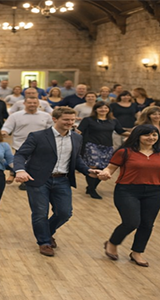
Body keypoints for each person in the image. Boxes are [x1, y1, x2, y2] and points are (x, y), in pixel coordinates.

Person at [13, 107, 100, 257]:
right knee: (40, 213)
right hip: (39, 179)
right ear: (55, 119)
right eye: (66, 119)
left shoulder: (76, 138)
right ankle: (44, 242)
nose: (70, 123)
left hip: (62, 180)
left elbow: (77, 159)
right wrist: (20, 170)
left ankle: (46, 232)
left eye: (72, 120)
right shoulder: (38, 136)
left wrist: (88, 171)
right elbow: (21, 155)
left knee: (65, 213)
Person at [98, 125, 160, 267]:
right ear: (137, 136)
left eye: (154, 135)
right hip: (127, 190)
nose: (151, 138)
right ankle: (112, 242)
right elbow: (110, 168)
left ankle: (137, 252)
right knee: (132, 222)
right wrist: (105, 173)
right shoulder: (124, 152)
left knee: (147, 224)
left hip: (154, 191)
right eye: (147, 135)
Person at [77, 101, 128, 199]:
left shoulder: (113, 121)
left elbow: (120, 131)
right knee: (94, 167)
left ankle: (92, 187)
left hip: (107, 147)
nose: (103, 110)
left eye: (105, 108)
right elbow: (79, 131)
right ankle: (92, 190)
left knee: (103, 168)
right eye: (100, 108)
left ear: (109, 110)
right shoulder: (88, 120)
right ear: (95, 109)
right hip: (92, 145)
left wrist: (136, 134)